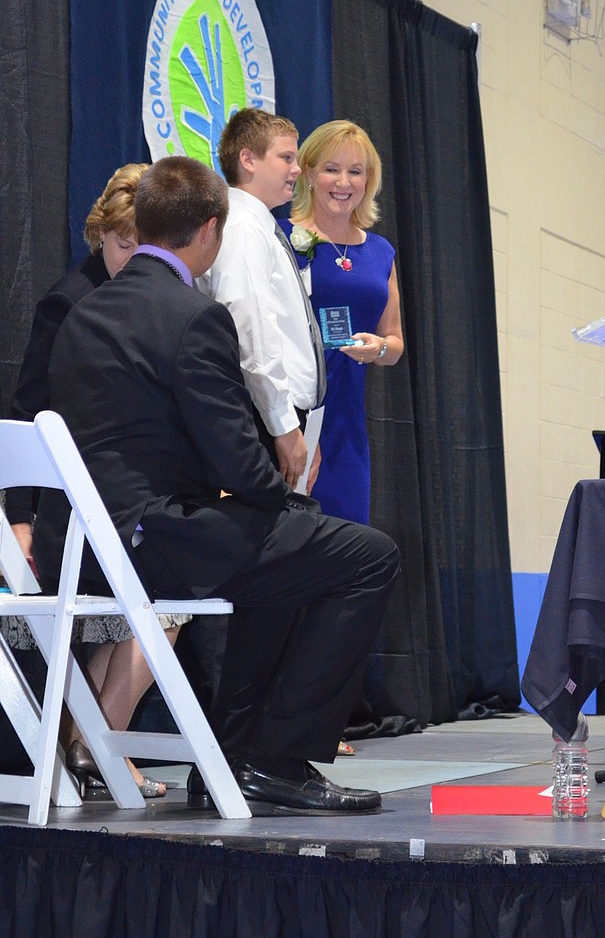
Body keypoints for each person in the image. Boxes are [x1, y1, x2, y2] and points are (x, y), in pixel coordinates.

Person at [33, 156, 399, 814]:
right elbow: (240, 463)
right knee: (364, 553)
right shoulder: (194, 315)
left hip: (76, 548)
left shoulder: (82, 311)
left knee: (285, 541)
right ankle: (275, 759)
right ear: (209, 231)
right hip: (149, 542)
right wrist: (280, 492)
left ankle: (235, 756)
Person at [6, 163, 175, 800]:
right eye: (122, 242)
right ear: (98, 234)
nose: (133, 257)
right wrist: (18, 517)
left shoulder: (155, 302)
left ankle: (92, 745)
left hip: (112, 504)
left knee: (142, 607)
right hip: (69, 513)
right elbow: (27, 411)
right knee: (163, 600)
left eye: (145, 245)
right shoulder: (69, 301)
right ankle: (100, 748)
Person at [196, 109, 324, 492]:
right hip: (261, 420)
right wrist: (284, 426)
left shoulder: (259, 227)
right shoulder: (242, 229)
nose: (297, 169)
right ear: (248, 159)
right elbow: (249, 329)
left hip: (276, 417)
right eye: (286, 158)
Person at [286, 120, 403, 525]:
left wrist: (378, 348)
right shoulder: (282, 237)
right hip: (290, 415)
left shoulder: (381, 251)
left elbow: (396, 344)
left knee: (347, 542)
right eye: (332, 168)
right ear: (310, 172)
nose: (344, 181)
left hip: (347, 422)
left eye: (356, 171)